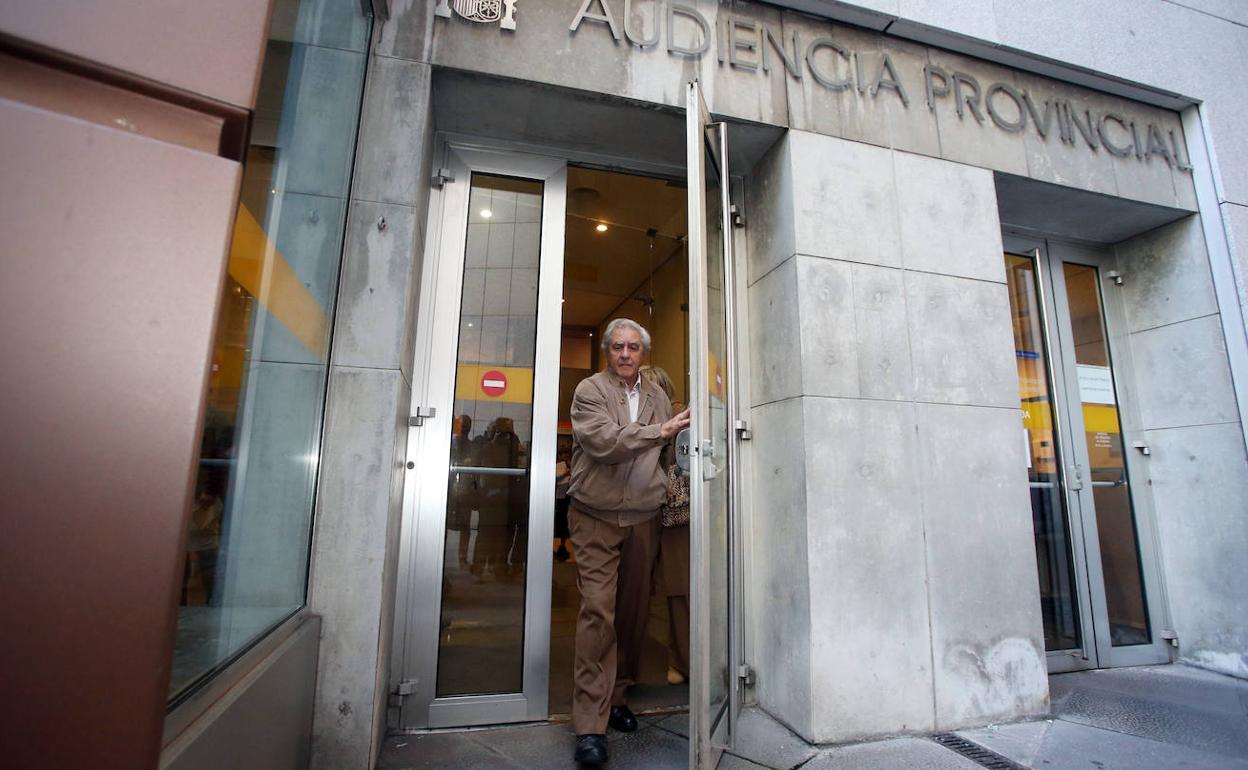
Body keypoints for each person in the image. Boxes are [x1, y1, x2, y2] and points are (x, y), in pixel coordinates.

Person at [568, 318, 690, 767]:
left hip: (643, 517)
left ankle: (617, 696)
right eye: (617, 346)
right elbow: (604, 442)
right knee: (598, 612)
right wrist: (660, 432)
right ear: (607, 350)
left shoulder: (657, 396)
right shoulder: (590, 391)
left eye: (633, 347)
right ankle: (590, 724)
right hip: (595, 517)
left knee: (633, 614)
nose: (624, 353)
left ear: (643, 353)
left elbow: (667, 453)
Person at [640, 364, 690, 687]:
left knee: (679, 591)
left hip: (673, 519)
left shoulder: (681, 422)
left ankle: (682, 662)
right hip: (645, 514)